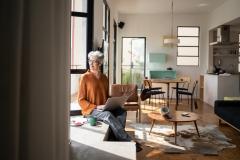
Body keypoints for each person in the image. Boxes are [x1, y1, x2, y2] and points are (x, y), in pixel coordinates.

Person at [78, 51, 142, 152]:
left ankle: (116, 138)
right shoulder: (84, 78)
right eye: (89, 60)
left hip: (104, 108)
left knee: (122, 112)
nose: (90, 63)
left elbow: (106, 96)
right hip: (90, 110)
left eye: (94, 61)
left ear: (100, 63)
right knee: (108, 115)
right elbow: (80, 100)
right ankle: (128, 141)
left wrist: (114, 102)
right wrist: (96, 106)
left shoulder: (104, 78)